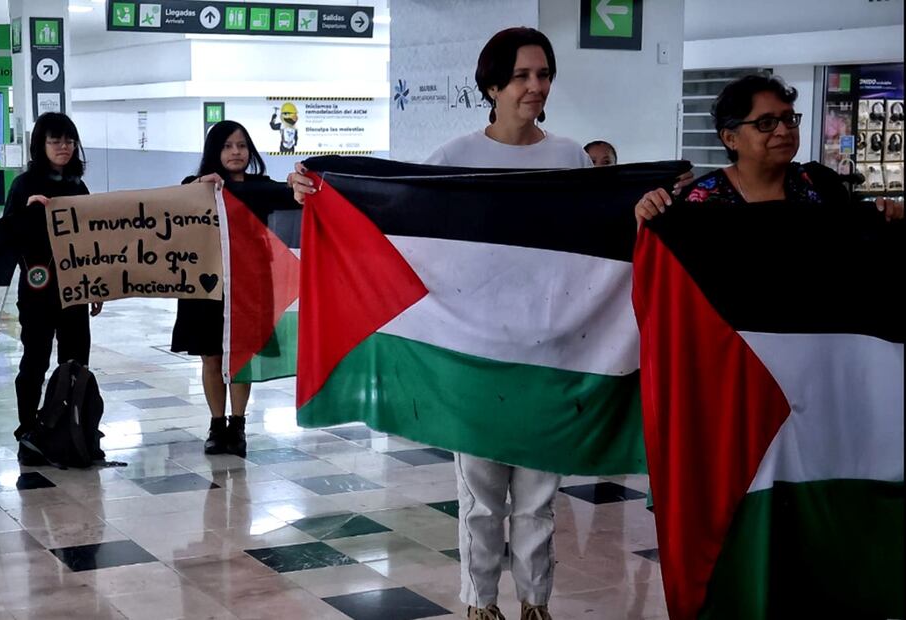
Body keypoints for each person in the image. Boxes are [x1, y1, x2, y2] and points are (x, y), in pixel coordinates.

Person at [292, 27, 688, 620]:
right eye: (524, 75)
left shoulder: (569, 159)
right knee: (480, 498)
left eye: (544, 74)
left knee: (538, 497)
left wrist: (660, 202)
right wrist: (319, 192)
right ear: (492, 85)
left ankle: (535, 603)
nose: (536, 86)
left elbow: (605, 238)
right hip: (470, 355)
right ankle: (481, 603)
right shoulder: (454, 159)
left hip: (551, 354)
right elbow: (396, 214)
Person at [635, 74, 904, 222]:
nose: (783, 130)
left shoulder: (820, 184)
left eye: (789, 118)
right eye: (766, 123)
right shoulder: (700, 202)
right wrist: (647, 217)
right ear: (731, 138)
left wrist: (888, 216)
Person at [4, 112, 102, 464]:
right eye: (55, 140)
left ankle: (71, 424)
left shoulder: (78, 187)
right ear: (40, 146)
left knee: (76, 361)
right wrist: (29, 215)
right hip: (38, 293)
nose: (63, 147)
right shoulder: (24, 185)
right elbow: (8, 237)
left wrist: (96, 286)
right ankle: (28, 428)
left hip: (74, 291)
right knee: (34, 360)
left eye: (69, 140)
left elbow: (92, 241)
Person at [172, 120, 269, 458]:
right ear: (215, 151)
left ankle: (238, 425)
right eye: (227, 146)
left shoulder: (263, 188)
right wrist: (201, 185)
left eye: (241, 146)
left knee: (241, 357)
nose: (236, 152)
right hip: (204, 288)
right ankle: (216, 423)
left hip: (249, 287)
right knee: (211, 357)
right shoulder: (195, 187)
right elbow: (171, 206)